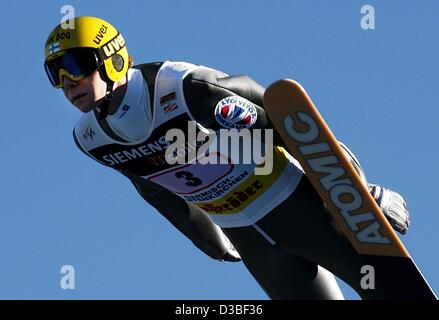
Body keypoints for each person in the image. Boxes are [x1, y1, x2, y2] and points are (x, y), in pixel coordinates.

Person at [44, 16, 410, 299]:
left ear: (112, 59)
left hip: (299, 207)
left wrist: (358, 189)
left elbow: (288, 120)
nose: (67, 81)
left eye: (75, 64)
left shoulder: (184, 89)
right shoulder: (90, 139)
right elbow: (154, 190)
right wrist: (207, 239)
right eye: (55, 73)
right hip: (252, 241)